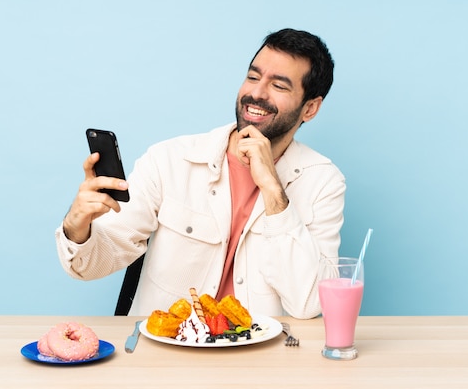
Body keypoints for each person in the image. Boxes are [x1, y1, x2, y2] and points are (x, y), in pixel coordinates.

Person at [55, 28, 346, 319]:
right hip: (167, 353)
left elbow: (309, 304)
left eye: (279, 86)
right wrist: (77, 227)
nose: (256, 93)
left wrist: (272, 189)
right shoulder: (169, 160)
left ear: (310, 108)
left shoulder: (323, 182)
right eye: (253, 77)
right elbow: (89, 266)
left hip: (262, 359)